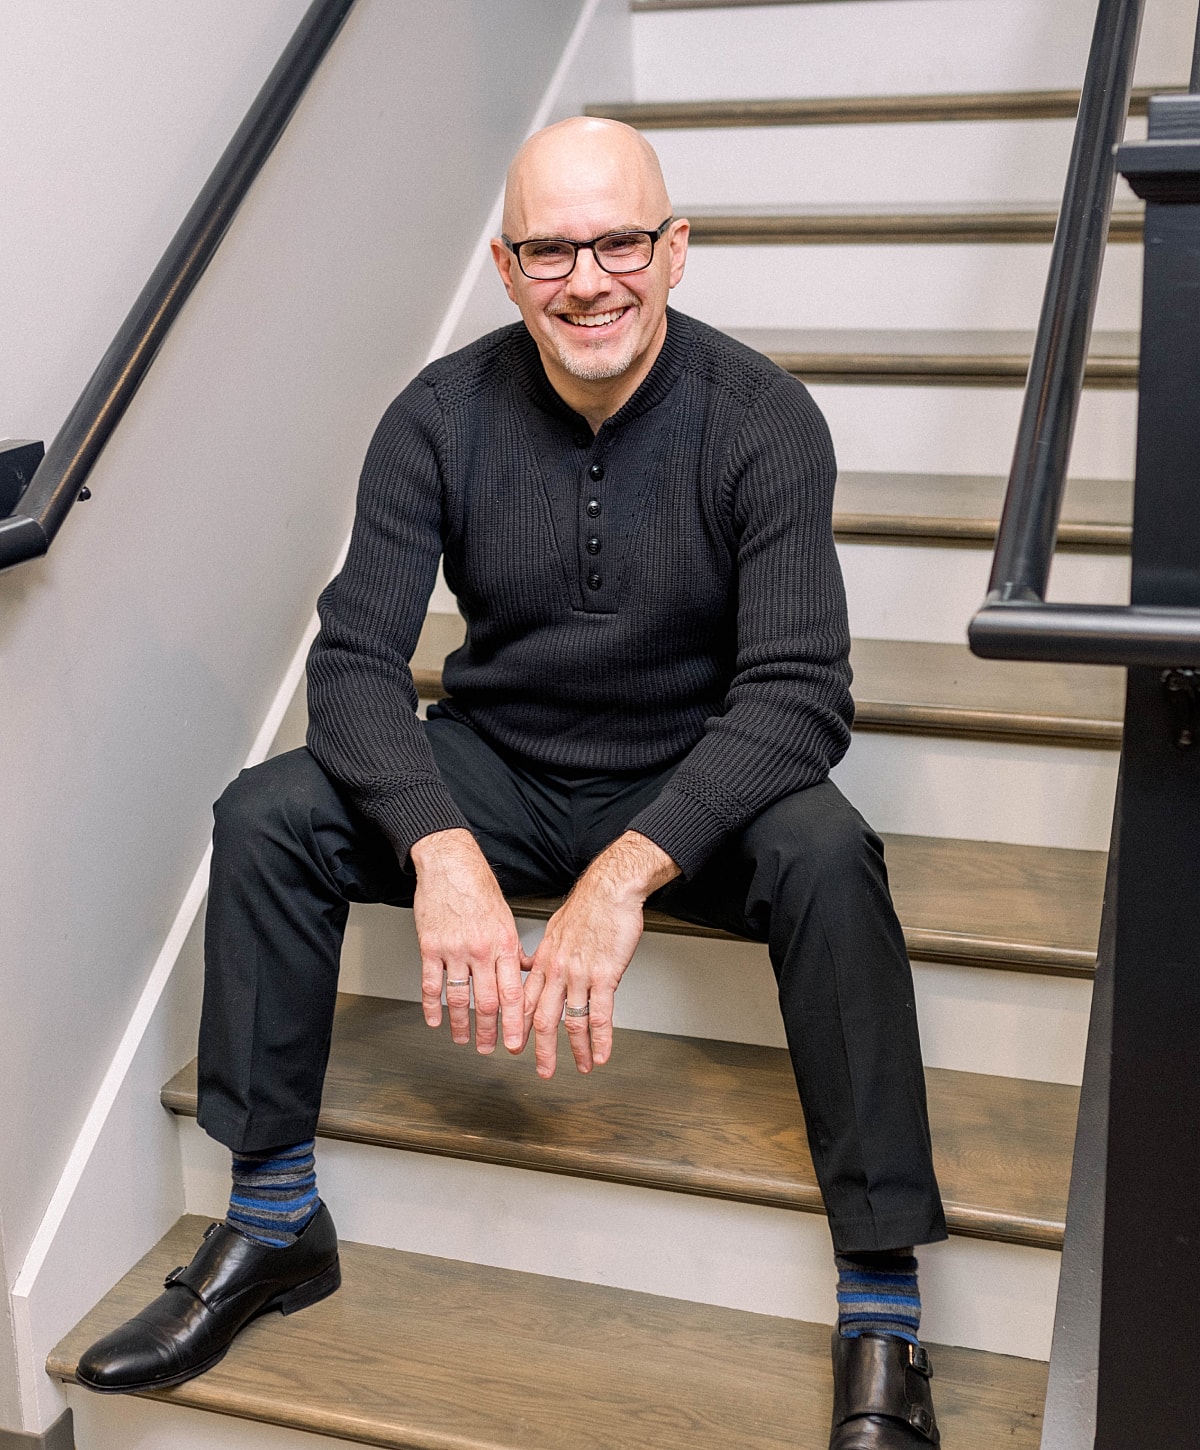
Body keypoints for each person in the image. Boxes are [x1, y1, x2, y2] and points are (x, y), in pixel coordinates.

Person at [77, 117, 946, 1448]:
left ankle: (883, 1307)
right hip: (501, 759)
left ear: (676, 250)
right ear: (505, 264)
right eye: (553, 248)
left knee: (832, 854)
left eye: (620, 242)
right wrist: (439, 843)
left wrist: (628, 869)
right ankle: (270, 1220)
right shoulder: (435, 416)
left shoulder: (764, 418)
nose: (588, 277)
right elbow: (358, 661)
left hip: (693, 767)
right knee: (269, 815)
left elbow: (797, 696)